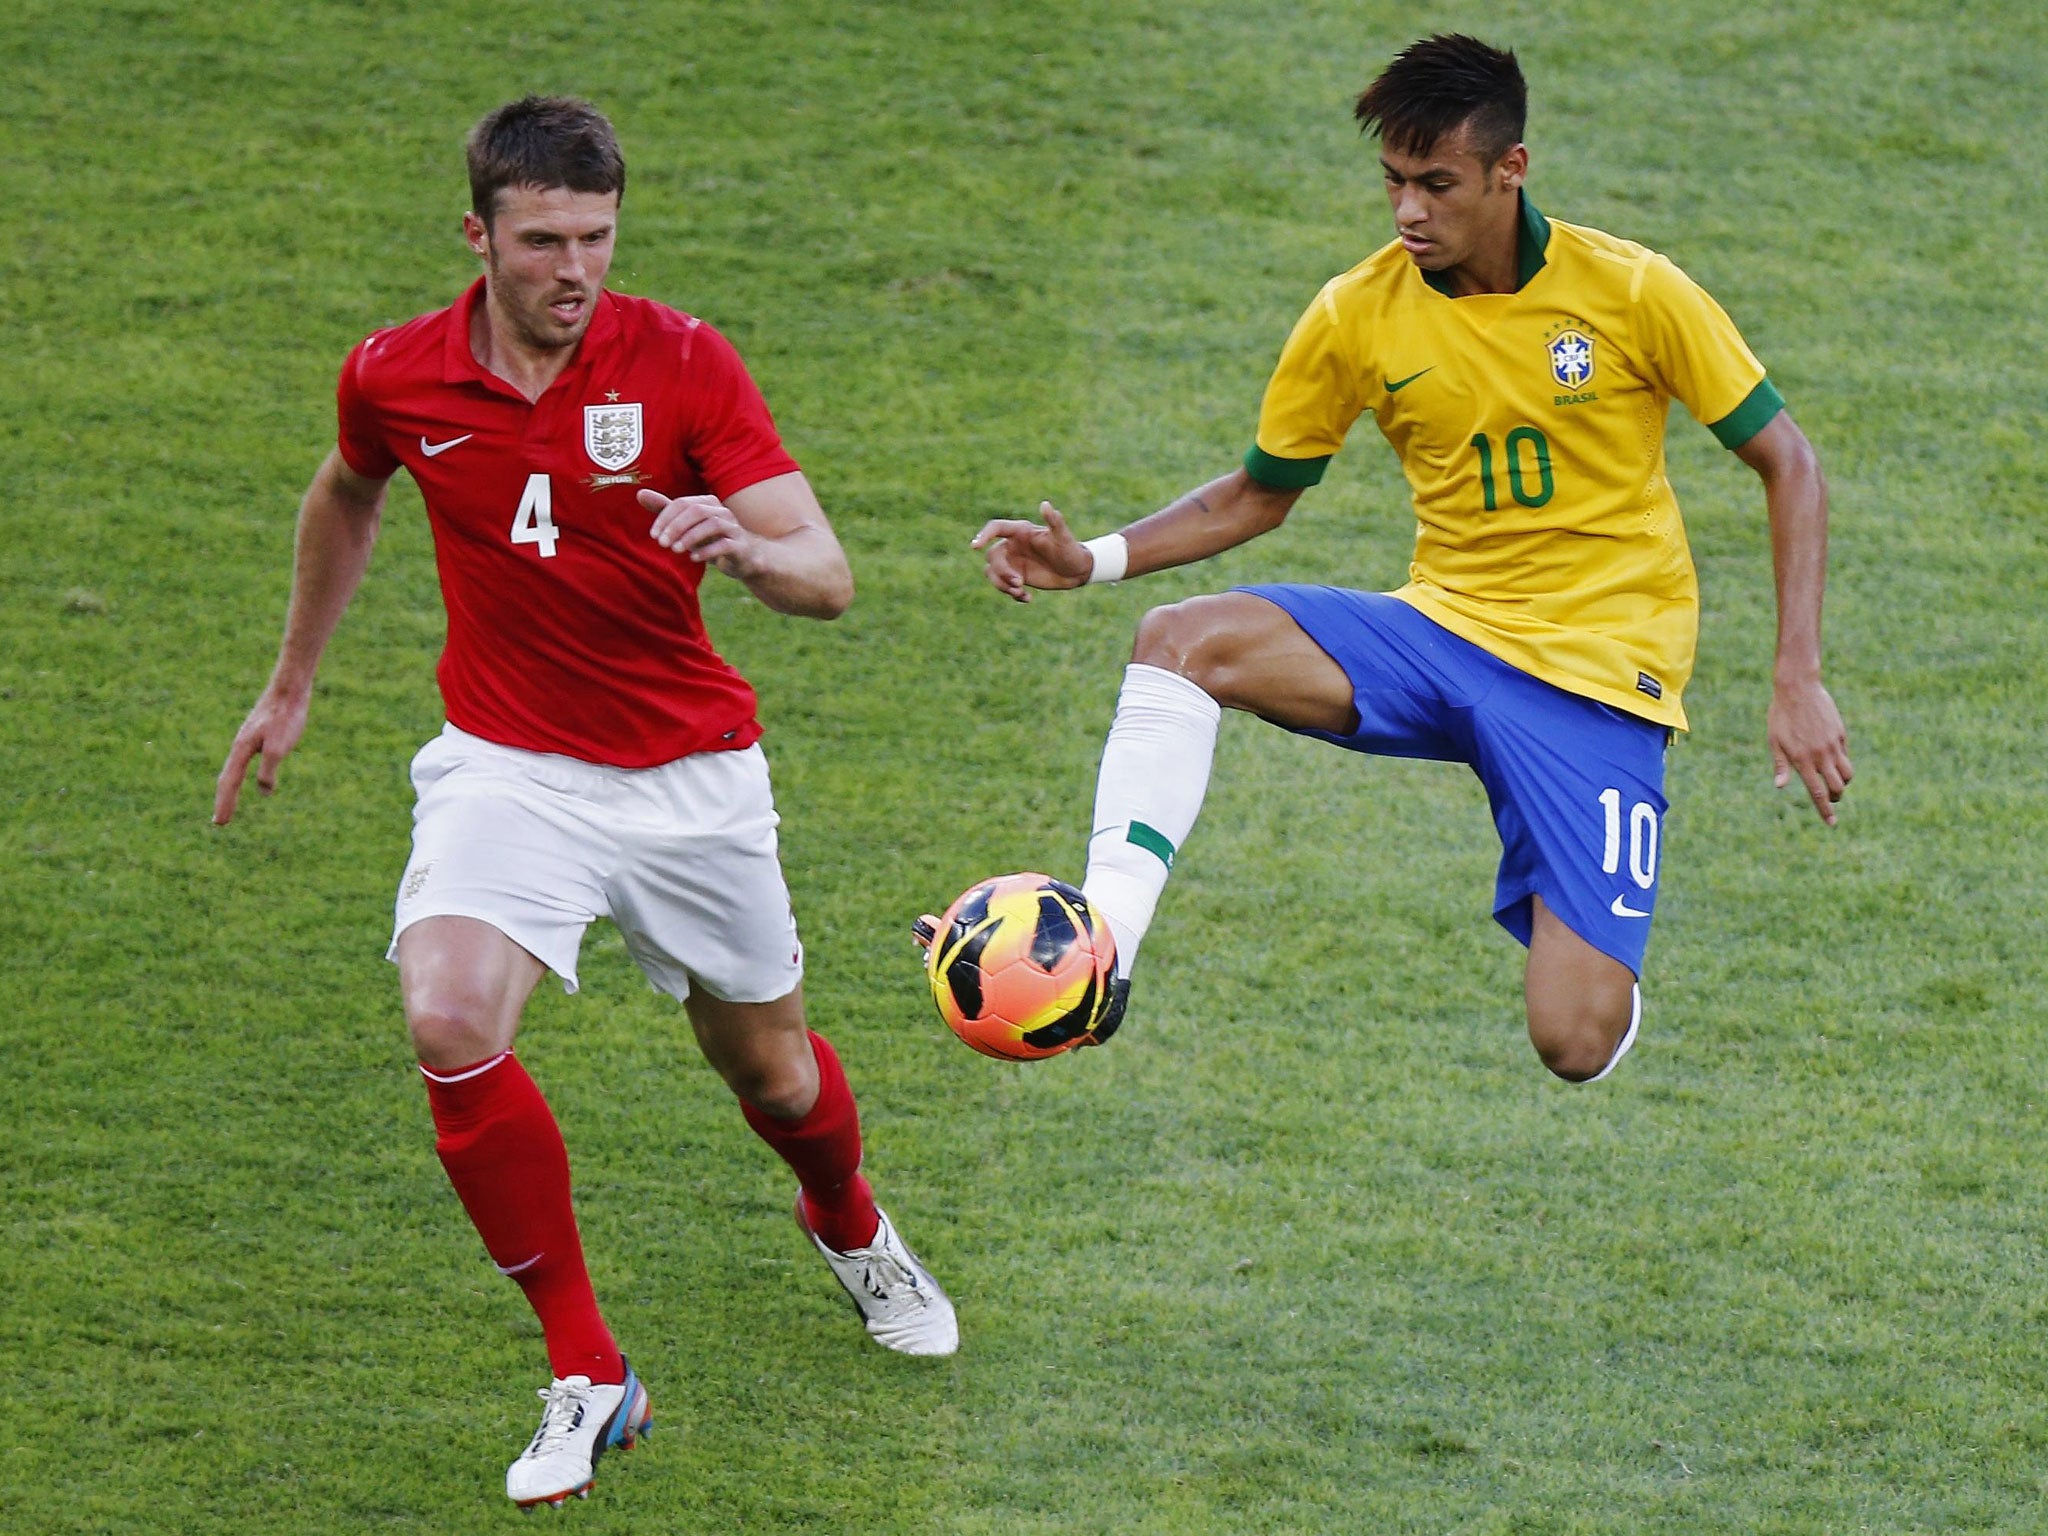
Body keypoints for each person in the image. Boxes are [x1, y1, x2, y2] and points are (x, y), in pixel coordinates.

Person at [213, 96, 956, 1510]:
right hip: (509, 767)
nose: (575, 270)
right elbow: (346, 492)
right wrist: (294, 680)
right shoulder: (395, 376)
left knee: (774, 1076)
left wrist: (740, 545)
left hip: (690, 780)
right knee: (444, 1016)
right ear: (479, 236)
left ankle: (849, 1222)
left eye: (597, 240)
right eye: (544, 240)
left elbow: (830, 573)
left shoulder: (680, 362)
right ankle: (589, 1367)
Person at [971, 35, 1852, 1082]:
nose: (1406, 212)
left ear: (1508, 170)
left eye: (1435, 185)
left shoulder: (1629, 292)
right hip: (1441, 635)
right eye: (1392, 181)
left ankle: (1589, 942)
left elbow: (1785, 460)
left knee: (1570, 1041)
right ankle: (1098, 951)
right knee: (1178, 642)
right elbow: (1260, 493)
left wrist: (1793, 673)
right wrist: (1100, 559)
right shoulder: (1357, 312)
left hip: (1600, 683)